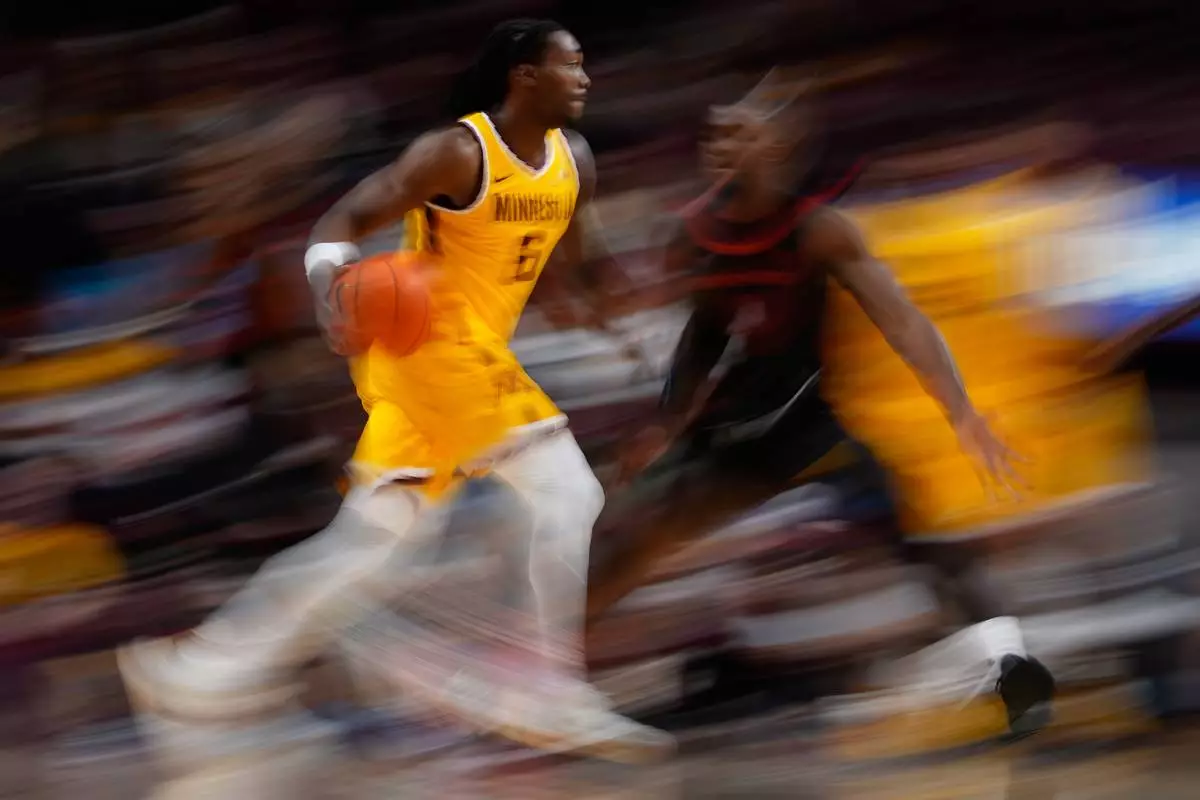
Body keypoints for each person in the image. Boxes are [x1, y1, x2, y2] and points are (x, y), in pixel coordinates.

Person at [119, 18, 673, 764]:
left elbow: (570, 265)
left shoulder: (573, 160)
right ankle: (541, 680)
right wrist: (329, 290)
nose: (583, 78)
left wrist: (614, 319)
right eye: (568, 65)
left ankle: (200, 672)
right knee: (566, 490)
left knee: (377, 544)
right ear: (523, 77)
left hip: (471, 355)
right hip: (428, 344)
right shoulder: (457, 152)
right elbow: (340, 220)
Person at [585, 71, 1053, 732]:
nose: (718, 145)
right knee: (629, 535)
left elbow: (905, 323)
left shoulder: (820, 231)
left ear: (776, 149)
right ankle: (547, 670)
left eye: (737, 134)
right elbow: (704, 334)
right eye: (714, 133)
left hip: (812, 425)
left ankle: (1017, 672)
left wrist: (962, 412)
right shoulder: (694, 232)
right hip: (741, 425)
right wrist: (666, 420)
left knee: (927, 545)